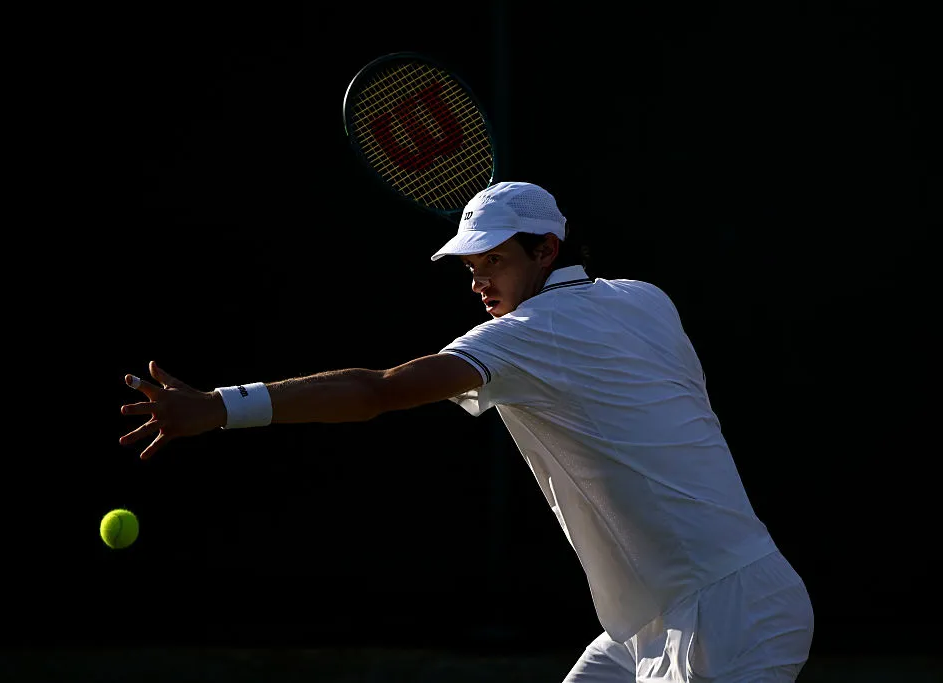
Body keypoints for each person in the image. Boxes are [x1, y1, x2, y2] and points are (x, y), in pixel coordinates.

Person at [119, 181, 814, 682]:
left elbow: (377, 392)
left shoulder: (525, 338)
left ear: (547, 250)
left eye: (494, 263)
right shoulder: (645, 299)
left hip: (729, 619)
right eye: (472, 268)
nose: (479, 282)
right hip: (653, 625)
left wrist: (218, 405)